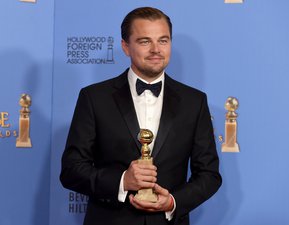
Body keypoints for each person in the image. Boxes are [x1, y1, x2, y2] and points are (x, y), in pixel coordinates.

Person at [60, 6, 222, 225]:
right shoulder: (94, 97)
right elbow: (71, 170)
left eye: (163, 40)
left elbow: (209, 175)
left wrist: (173, 202)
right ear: (125, 47)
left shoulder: (195, 102)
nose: (156, 49)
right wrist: (122, 181)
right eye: (145, 41)